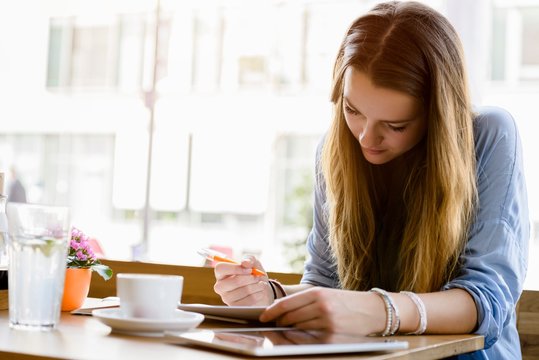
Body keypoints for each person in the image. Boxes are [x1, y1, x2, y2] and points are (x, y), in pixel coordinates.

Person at [212, 2, 529, 359]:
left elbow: (488, 300)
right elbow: (325, 283)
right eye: (352, 110)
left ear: (436, 115)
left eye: (395, 126)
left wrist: (379, 310)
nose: (365, 138)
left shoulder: (488, 135)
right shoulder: (335, 152)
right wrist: (272, 297)